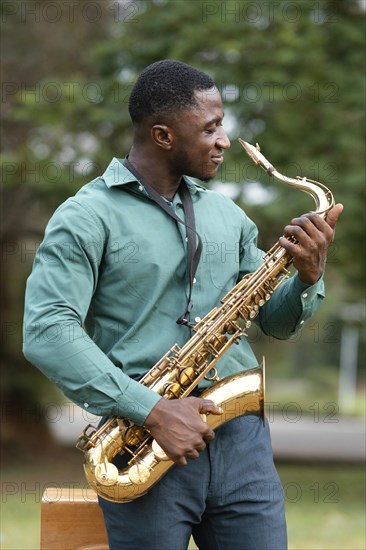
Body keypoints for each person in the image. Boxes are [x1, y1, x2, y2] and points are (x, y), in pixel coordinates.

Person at [23, 60, 343, 550]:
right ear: (163, 135)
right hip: (144, 439)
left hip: (242, 445)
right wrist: (151, 410)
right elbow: (48, 330)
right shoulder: (86, 216)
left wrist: (307, 277)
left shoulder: (228, 215)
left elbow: (277, 323)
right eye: (210, 128)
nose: (224, 141)